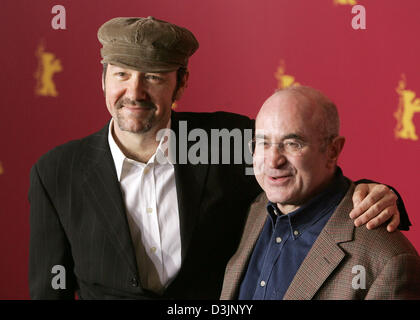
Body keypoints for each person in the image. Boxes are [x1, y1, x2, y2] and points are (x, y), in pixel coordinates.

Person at [29, 17, 410, 300]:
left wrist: (375, 191)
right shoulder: (57, 172)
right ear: (103, 79)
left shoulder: (226, 141)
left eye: (154, 77)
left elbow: (301, 169)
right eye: (121, 74)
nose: (135, 91)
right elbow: (50, 291)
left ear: (181, 83)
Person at [220, 86, 420, 300]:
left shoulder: (388, 261)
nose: (272, 160)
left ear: (332, 150)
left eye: (292, 143)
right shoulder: (255, 208)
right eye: (263, 143)